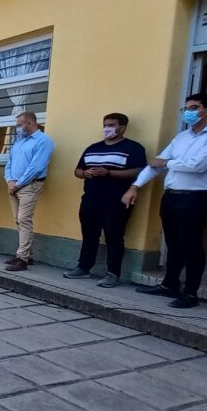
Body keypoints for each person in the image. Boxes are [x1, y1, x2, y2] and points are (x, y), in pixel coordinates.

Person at [122, 93, 207, 308]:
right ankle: (169, 284)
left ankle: (191, 294)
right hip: (172, 196)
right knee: (173, 244)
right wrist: (135, 186)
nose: (189, 112)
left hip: (196, 198)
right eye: (186, 109)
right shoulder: (182, 137)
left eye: (194, 107)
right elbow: (155, 164)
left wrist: (167, 163)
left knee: (192, 244)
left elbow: (197, 165)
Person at [63, 113, 147, 288]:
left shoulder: (133, 148)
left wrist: (109, 173)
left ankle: (113, 273)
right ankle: (84, 267)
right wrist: (85, 173)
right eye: (105, 125)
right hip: (90, 200)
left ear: (122, 127)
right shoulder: (93, 147)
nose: (107, 128)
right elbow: (78, 170)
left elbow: (140, 171)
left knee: (114, 237)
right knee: (89, 236)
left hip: (116, 202)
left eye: (111, 125)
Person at [3, 111, 55, 272]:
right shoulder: (19, 142)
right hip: (14, 186)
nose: (17, 128)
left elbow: (36, 167)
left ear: (30, 123)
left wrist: (18, 184)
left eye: (19, 125)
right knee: (18, 220)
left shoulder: (43, 141)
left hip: (29, 186)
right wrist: (10, 180)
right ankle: (26, 253)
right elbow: (9, 162)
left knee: (24, 219)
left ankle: (22, 258)